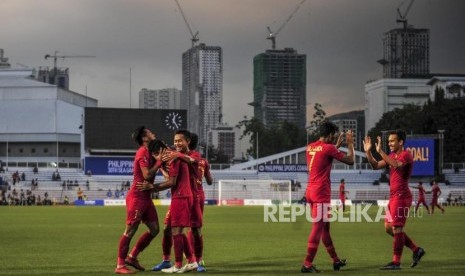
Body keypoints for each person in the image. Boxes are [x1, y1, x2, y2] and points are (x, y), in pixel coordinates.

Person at [364, 130, 425, 270]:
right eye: (389, 141)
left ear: (401, 142)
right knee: (388, 228)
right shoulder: (390, 155)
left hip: (402, 197)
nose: (389, 143)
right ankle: (416, 250)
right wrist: (368, 152)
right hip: (393, 197)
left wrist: (381, 152)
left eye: (392, 141)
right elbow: (375, 166)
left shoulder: (406, 155)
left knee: (397, 228)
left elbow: (396, 164)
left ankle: (396, 262)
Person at [138, 130, 198, 273]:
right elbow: (171, 177)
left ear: (158, 152)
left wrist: (152, 187)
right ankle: (191, 261)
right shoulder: (172, 157)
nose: (156, 158)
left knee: (177, 231)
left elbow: (171, 182)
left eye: (155, 155)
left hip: (181, 197)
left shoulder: (172, 157)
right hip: (181, 196)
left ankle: (177, 265)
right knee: (170, 229)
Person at [301, 121, 354, 273]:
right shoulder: (328, 148)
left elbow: (321, 157)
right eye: (334, 136)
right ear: (330, 134)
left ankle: (336, 261)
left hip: (310, 192)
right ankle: (307, 264)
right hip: (321, 193)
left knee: (325, 229)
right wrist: (350, 144)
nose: (334, 138)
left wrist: (335, 147)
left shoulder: (310, 147)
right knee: (318, 228)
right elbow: (350, 161)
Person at [114, 126, 164, 274]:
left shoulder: (150, 152)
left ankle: (132, 257)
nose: (153, 133)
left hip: (146, 196)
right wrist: (159, 162)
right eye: (149, 132)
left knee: (155, 229)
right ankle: (120, 266)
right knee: (130, 231)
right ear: (144, 138)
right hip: (137, 196)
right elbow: (147, 175)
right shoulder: (142, 152)